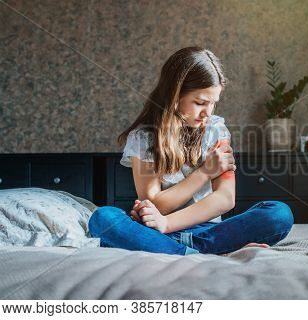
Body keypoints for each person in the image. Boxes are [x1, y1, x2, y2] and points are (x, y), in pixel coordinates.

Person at [88, 46, 294, 256]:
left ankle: (184, 250)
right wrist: (204, 172)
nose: (207, 112)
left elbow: (225, 198)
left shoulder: (217, 131)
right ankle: (202, 252)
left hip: (205, 231)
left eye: (213, 103)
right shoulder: (144, 138)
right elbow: (156, 204)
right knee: (103, 218)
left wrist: (167, 223)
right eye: (200, 102)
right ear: (175, 95)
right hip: (160, 233)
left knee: (278, 214)